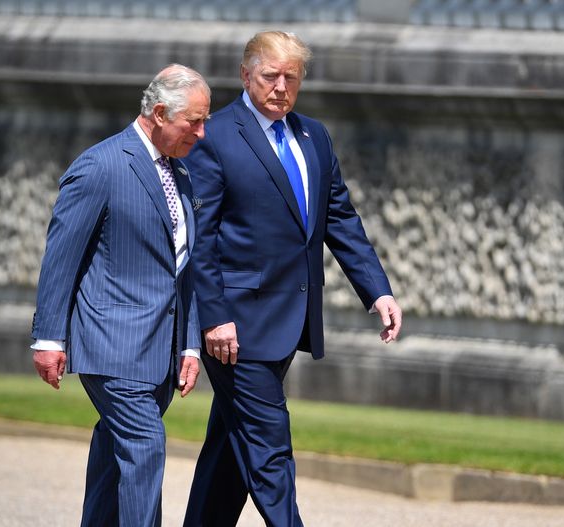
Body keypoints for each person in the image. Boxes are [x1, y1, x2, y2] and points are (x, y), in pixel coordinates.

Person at [181, 31, 403, 527]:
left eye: (291, 78)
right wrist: (214, 317)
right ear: (245, 75)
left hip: (290, 319)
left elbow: (340, 219)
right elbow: (201, 237)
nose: (281, 87)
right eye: (270, 76)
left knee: (230, 445)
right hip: (235, 330)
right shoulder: (214, 136)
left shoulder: (314, 137)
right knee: (270, 446)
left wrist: (378, 290)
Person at [30, 64, 210, 527]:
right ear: (159, 112)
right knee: (146, 448)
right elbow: (61, 258)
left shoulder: (182, 175)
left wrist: (189, 343)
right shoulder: (101, 165)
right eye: (194, 121)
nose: (202, 132)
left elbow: (183, 269)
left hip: (160, 351)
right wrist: (49, 338)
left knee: (115, 454)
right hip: (112, 346)